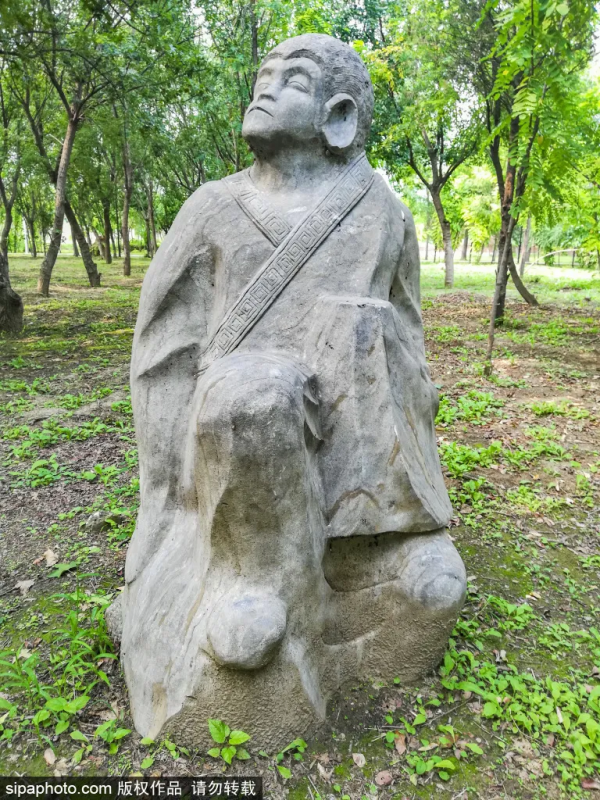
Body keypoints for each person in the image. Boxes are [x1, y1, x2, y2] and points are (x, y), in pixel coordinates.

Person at [119, 34, 466, 747]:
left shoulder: (383, 213)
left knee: (437, 587)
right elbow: (161, 352)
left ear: (339, 115)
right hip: (237, 453)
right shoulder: (212, 208)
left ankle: (367, 556)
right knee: (257, 398)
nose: (266, 85)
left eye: (293, 78)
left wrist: (369, 353)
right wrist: (165, 491)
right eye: (264, 73)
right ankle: (248, 581)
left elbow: (412, 347)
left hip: (358, 467)